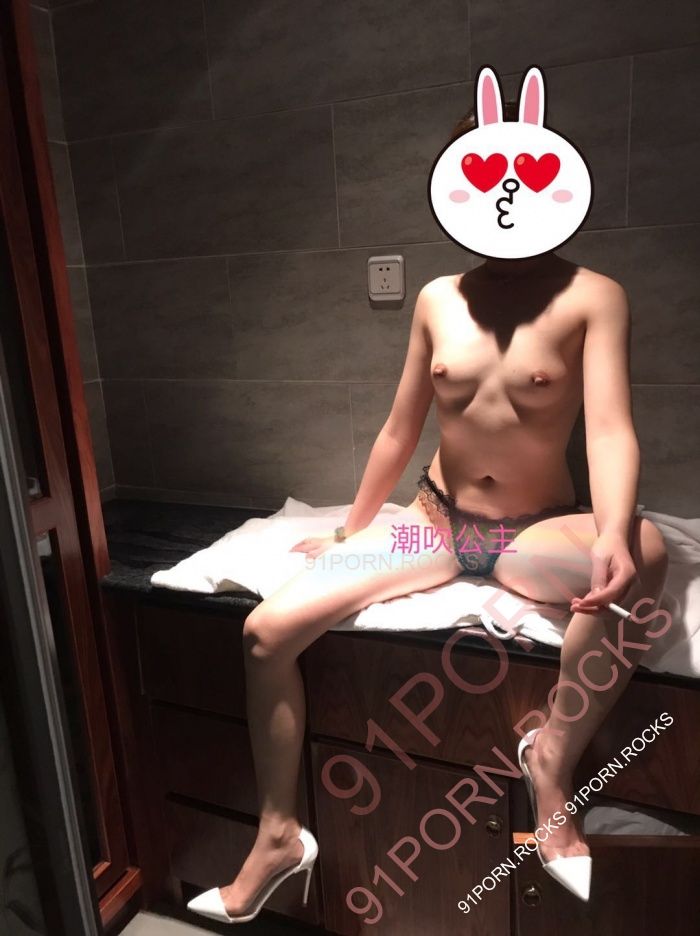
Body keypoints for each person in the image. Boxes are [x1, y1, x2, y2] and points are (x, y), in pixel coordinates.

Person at [186, 103, 669, 921]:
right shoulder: (438, 298)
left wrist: (614, 530)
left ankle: (551, 764)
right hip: (436, 521)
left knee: (647, 554)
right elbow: (398, 428)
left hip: (533, 530)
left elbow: (612, 429)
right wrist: (350, 530)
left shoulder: (595, 296)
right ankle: (278, 837)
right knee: (264, 633)